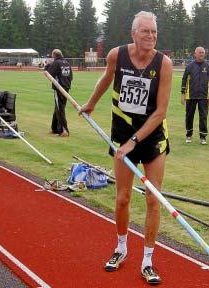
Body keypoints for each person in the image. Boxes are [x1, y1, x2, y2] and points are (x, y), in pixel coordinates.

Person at [79, 11, 172, 285]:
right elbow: (106, 79)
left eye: (154, 32)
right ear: (133, 33)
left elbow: (161, 112)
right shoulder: (116, 55)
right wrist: (92, 103)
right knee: (122, 198)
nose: (151, 36)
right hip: (123, 136)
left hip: (152, 138)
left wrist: (135, 141)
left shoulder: (163, 64)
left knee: (153, 199)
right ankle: (121, 248)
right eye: (146, 31)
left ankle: (148, 260)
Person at [180, 47, 209, 145]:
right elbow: (184, 79)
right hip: (191, 96)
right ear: (195, 54)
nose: (201, 54)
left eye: (203, 52)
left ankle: (203, 137)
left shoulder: (208, 67)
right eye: (199, 52)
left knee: (203, 117)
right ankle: (189, 135)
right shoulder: (190, 66)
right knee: (189, 116)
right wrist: (183, 94)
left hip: (204, 97)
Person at [46, 49, 72, 137]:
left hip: (59, 88)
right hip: (67, 87)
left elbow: (49, 74)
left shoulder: (56, 63)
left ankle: (63, 130)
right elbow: (71, 77)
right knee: (58, 107)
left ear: (54, 55)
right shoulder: (67, 63)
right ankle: (55, 128)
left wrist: (47, 65)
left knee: (60, 109)